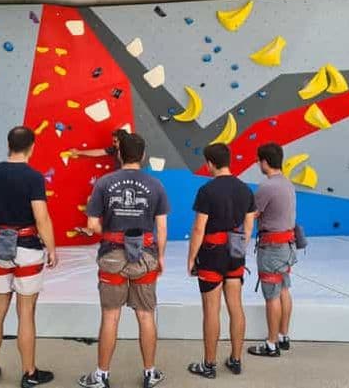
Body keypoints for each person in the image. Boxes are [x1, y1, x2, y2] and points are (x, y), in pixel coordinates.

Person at [78, 133, 169, 388]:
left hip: (112, 258)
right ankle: (150, 374)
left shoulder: (104, 183)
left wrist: (107, 229)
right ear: (142, 155)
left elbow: (92, 225)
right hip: (145, 259)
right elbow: (162, 228)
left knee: (110, 317)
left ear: (119, 154)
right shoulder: (156, 185)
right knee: (146, 316)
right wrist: (160, 257)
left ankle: (101, 376)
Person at [0, 126, 58, 388]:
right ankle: (29, 373)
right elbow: (41, 217)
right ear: (31, 147)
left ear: (8, 144)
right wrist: (52, 248)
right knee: (26, 313)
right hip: (28, 250)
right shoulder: (33, 177)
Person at [187, 143, 256, 379]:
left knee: (211, 310)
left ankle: (209, 365)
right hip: (235, 254)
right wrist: (239, 247)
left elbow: (199, 228)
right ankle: (236, 360)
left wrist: (191, 257)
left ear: (210, 164)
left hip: (211, 255)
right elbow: (248, 225)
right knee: (236, 307)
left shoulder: (207, 190)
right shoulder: (246, 189)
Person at [247, 143, 297, 358]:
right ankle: (284, 336)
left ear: (264, 162)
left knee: (272, 296)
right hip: (287, 245)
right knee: (284, 289)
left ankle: (271, 343)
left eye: (259, 160)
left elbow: (253, 213)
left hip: (272, 247)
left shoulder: (266, 187)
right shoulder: (287, 184)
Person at [71, 128, 130, 237]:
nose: (113, 143)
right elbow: (99, 152)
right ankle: (91, 229)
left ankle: (112, 234)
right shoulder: (115, 150)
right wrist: (80, 152)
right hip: (116, 184)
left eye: (115, 141)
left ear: (123, 141)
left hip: (124, 186)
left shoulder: (129, 153)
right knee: (92, 199)